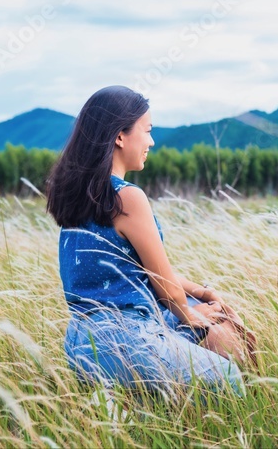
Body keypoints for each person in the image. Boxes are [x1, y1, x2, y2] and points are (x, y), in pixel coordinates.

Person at [45, 85, 245, 399]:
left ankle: (125, 405)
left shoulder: (81, 196)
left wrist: (201, 294)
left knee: (202, 308)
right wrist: (193, 318)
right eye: (147, 131)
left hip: (80, 342)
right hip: (125, 340)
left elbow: (142, 270)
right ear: (120, 136)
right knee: (229, 377)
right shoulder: (127, 197)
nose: (151, 141)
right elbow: (163, 282)